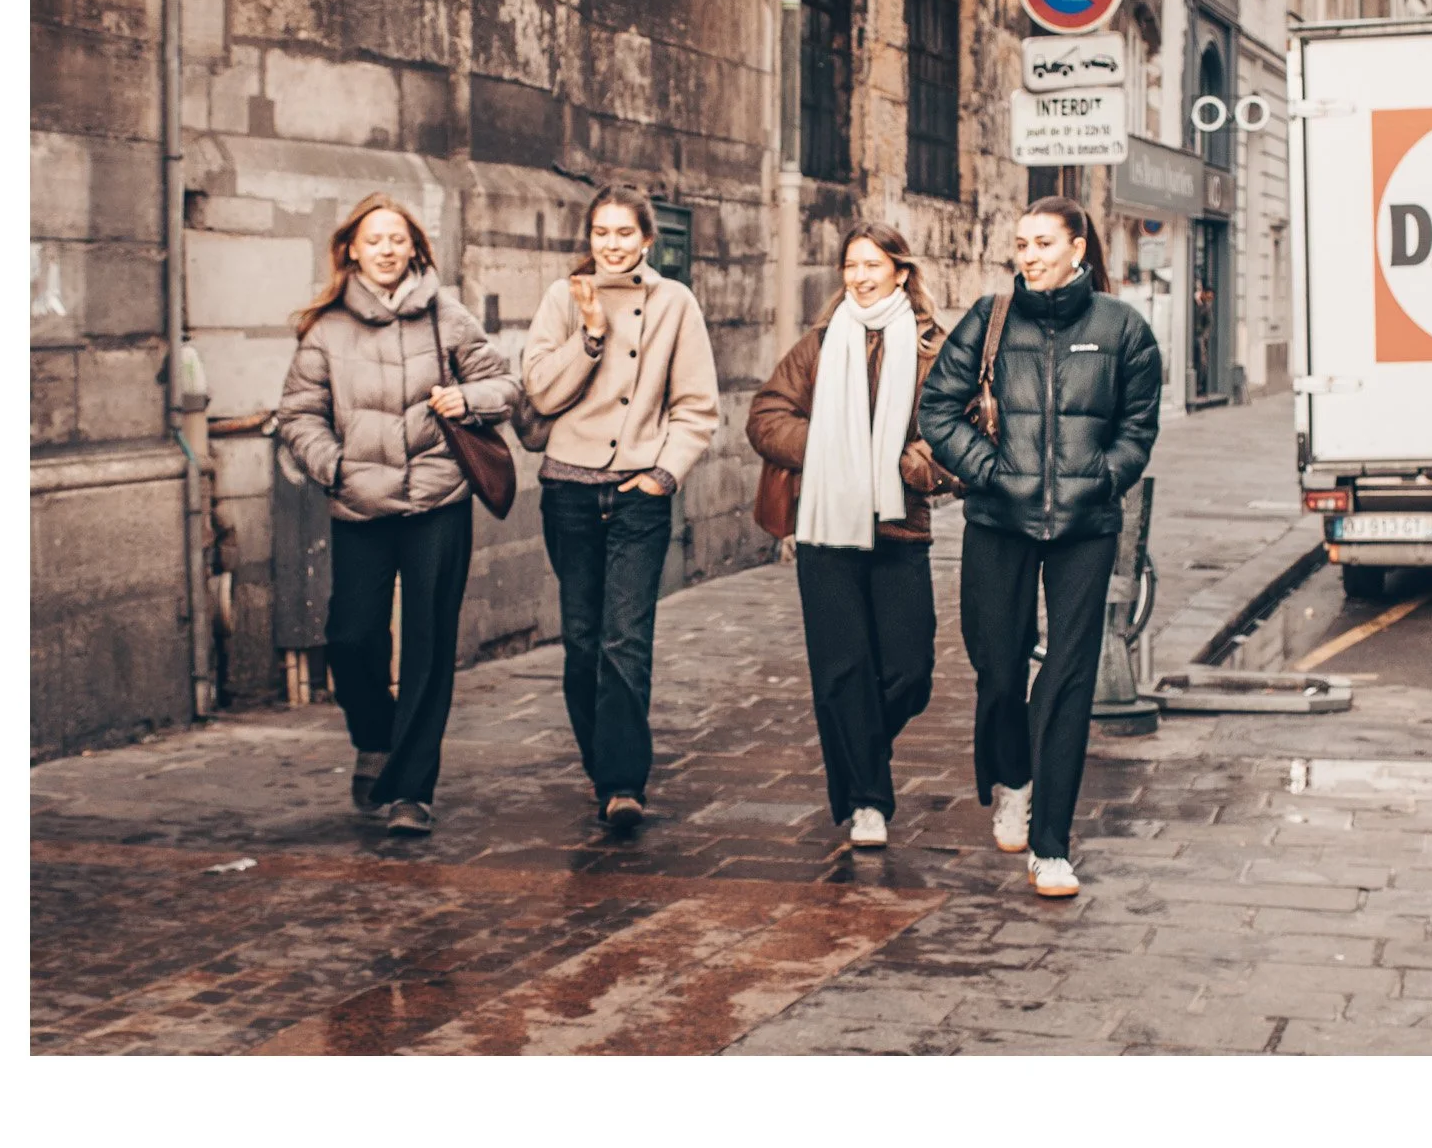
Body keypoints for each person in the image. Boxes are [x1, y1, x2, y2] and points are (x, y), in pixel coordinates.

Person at [918, 196, 1161, 900]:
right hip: (999, 521)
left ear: (1077, 249)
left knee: (1069, 676)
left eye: (1042, 243)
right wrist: (993, 474)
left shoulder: (1123, 329)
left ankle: (1051, 844)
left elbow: (1137, 426)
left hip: (1086, 527)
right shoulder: (989, 320)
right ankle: (1013, 780)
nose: (1028, 255)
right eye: (1020, 243)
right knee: (997, 668)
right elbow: (937, 407)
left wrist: (1102, 478)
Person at [275, 193, 520, 835]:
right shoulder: (325, 329)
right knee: (351, 637)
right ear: (351, 250)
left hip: (438, 499)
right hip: (359, 503)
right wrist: (334, 468)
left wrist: (466, 399)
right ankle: (374, 735)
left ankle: (411, 790)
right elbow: (298, 414)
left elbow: (506, 388)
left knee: (428, 647)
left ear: (414, 247)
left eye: (397, 238)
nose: (386, 249)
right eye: (373, 239)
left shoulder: (448, 314)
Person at [520, 186, 721, 835]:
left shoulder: (675, 304)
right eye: (601, 233)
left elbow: (696, 404)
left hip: (639, 491)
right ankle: (599, 761)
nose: (611, 244)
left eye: (623, 233)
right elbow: (540, 389)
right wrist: (593, 335)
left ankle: (622, 782)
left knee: (625, 640)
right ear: (590, 237)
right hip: (569, 491)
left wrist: (664, 473)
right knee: (582, 642)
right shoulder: (562, 298)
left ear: (646, 238)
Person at [747, 222, 951, 850]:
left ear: (901, 271)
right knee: (842, 670)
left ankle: (858, 745)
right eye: (850, 266)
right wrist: (835, 448)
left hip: (899, 527)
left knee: (910, 671)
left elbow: (959, 432)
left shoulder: (932, 348)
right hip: (827, 530)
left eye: (872, 265)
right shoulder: (818, 344)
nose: (860, 277)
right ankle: (867, 800)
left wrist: (912, 463)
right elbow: (765, 417)